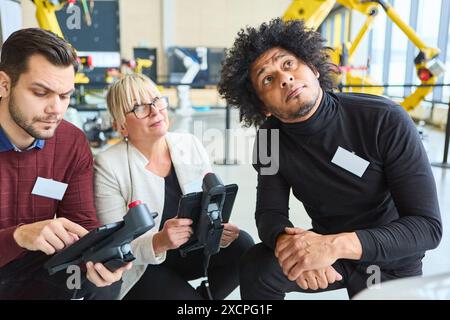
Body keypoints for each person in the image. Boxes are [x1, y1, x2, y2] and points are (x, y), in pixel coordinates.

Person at [218, 18, 442, 299]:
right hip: (324, 250)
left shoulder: (384, 119)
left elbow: (426, 227)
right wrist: (293, 246)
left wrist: (333, 246)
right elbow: (269, 213)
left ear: (312, 67)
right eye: (268, 79)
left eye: (288, 65)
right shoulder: (270, 138)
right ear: (263, 107)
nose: (285, 79)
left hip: (389, 258)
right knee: (256, 266)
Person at [94, 73, 254, 300]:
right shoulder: (108, 165)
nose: (155, 111)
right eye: (139, 107)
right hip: (143, 266)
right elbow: (114, 247)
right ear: (121, 127)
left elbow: (210, 202)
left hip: (188, 250)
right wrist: (159, 242)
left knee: (244, 246)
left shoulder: (188, 143)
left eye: (157, 100)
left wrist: (217, 229)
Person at [0, 28, 130, 300]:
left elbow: (83, 225)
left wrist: (101, 259)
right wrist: (18, 236)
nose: (56, 109)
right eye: (41, 93)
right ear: (4, 84)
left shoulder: (71, 142)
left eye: (64, 95)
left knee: (100, 284)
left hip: (33, 267)